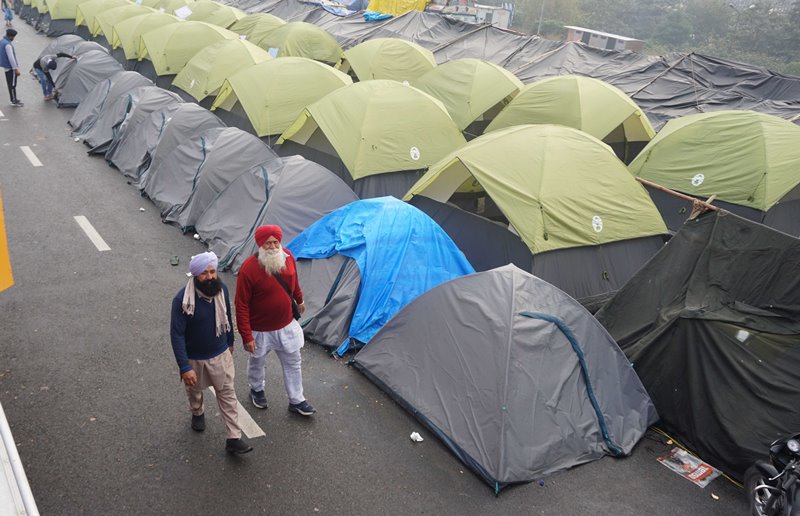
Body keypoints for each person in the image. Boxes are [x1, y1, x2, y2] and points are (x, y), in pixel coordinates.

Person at [170, 251, 253, 455]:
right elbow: (177, 334)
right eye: (204, 273)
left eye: (212, 271)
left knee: (228, 394)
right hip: (194, 359)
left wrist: (230, 341)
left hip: (220, 354)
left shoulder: (221, 290)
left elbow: (228, 316)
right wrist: (184, 367)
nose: (210, 277)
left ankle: (233, 438)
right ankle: (197, 411)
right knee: (194, 391)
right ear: (195, 275)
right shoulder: (182, 300)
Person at [235, 225, 316, 416]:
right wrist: (247, 336)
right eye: (268, 243)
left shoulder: (287, 257)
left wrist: (299, 299)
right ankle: (256, 389)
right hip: (260, 329)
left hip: (286, 325)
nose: (272, 247)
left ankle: (297, 400)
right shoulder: (248, 269)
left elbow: (294, 281)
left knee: (293, 362)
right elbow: (241, 305)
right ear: (260, 244)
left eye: (275, 242)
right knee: (257, 361)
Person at [0, 28, 21, 106]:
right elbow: (11, 58)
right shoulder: (8, 45)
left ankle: (14, 99)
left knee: (10, 84)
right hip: (10, 68)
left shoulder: (2, 41)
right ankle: (13, 101)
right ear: (11, 36)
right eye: (14, 37)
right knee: (12, 85)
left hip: (6, 66)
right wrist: (15, 69)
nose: (14, 38)